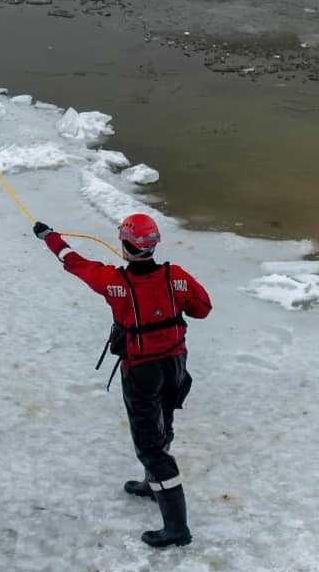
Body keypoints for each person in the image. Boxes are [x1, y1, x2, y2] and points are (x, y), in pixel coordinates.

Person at [33, 212, 212, 549]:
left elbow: (72, 262)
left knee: (151, 447)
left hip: (142, 371)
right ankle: (150, 483)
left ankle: (177, 528)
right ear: (154, 244)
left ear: (125, 246)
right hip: (175, 363)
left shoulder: (111, 281)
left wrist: (49, 236)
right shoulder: (177, 277)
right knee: (164, 422)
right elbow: (202, 309)